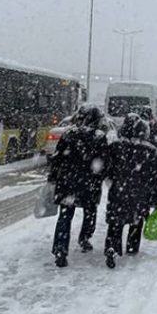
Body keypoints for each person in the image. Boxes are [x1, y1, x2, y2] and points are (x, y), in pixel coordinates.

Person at [104, 114, 157, 268]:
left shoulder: (115, 147)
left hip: (118, 191)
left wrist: (112, 181)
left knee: (115, 222)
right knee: (136, 220)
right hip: (140, 193)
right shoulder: (150, 151)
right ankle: (131, 247)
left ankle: (112, 247)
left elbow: (107, 168)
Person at [48, 106, 109, 268]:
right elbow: (103, 162)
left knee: (65, 215)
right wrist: (100, 176)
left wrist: (53, 177)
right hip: (89, 183)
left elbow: (57, 158)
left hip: (67, 181)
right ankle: (85, 238)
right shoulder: (99, 137)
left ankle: (60, 249)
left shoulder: (68, 134)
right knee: (90, 212)